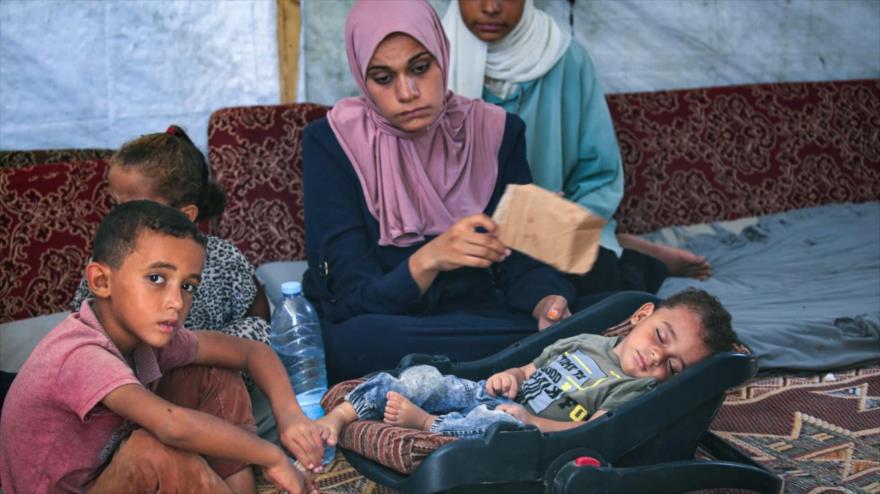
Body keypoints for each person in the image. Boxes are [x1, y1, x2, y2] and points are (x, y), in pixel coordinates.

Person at [301, 0, 581, 383]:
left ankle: (506, 356)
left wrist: (546, 302)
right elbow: (350, 299)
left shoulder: (496, 131)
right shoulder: (331, 143)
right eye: (383, 78)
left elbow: (525, 260)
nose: (408, 92)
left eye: (420, 68)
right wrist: (428, 260)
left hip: (483, 315)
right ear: (361, 78)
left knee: (617, 300)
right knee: (353, 342)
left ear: (441, 54)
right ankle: (526, 357)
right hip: (392, 325)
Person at [0, 201, 323, 494]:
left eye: (187, 286)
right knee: (151, 451)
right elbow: (172, 426)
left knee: (212, 372)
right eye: (156, 278)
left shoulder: (145, 335)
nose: (176, 301)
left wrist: (291, 417)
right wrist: (272, 456)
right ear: (101, 282)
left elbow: (251, 352)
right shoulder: (80, 353)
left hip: (104, 475)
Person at [442, 0, 711, 298]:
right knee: (457, 290)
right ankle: (617, 243)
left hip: (541, 228)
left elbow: (599, 175)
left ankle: (632, 257)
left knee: (594, 288)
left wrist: (555, 217)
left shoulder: (565, 58)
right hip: (454, 223)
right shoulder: (426, 56)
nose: (491, 7)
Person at [69, 125, 281, 441]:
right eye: (116, 206)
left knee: (246, 355)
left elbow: (260, 316)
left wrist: (211, 351)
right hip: (140, 392)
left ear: (185, 215)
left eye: (135, 209)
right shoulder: (112, 261)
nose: (120, 220)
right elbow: (85, 332)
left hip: (214, 384)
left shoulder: (221, 257)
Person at [317, 288, 735, 441]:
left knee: (500, 426)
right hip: (491, 396)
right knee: (426, 377)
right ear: (642, 315)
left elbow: (596, 431)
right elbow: (529, 368)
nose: (656, 357)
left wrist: (534, 423)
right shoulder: (589, 340)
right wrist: (509, 377)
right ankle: (343, 414)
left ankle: (426, 426)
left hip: (525, 428)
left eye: (674, 368)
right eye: (661, 338)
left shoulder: (635, 390)